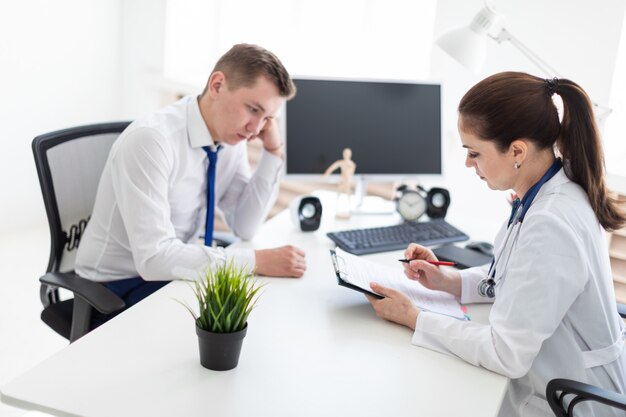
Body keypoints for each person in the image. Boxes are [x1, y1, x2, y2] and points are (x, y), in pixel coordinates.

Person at [367, 72, 626, 417]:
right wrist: (450, 281)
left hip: (571, 398)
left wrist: (414, 317)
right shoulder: (544, 192)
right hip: (556, 373)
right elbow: (516, 279)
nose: (468, 163)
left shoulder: (551, 220)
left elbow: (506, 353)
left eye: (474, 152)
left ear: (517, 150)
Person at [76, 43, 306, 326]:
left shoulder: (229, 139)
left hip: (169, 272)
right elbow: (153, 258)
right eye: (253, 109)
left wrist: (273, 153)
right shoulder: (152, 141)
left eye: (267, 118)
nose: (256, 129)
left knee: (251, 313)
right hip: (116, 286)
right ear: (217, 85)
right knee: (227, 324)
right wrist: (257, 261)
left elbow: (245, 225)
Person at [323, 147, 356, 218]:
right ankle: (336, 209)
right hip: (342, 182)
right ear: (343, 154)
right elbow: (332, 167)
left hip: (347, 183)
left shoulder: (352, 164)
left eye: (348, 153)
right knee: (338, 196)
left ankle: (349, 210)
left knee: (348, 197)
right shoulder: (341, 163)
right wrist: (326, 174)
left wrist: (349, 180)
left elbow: (351, 174)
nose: (346, 155)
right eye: (345, 153)